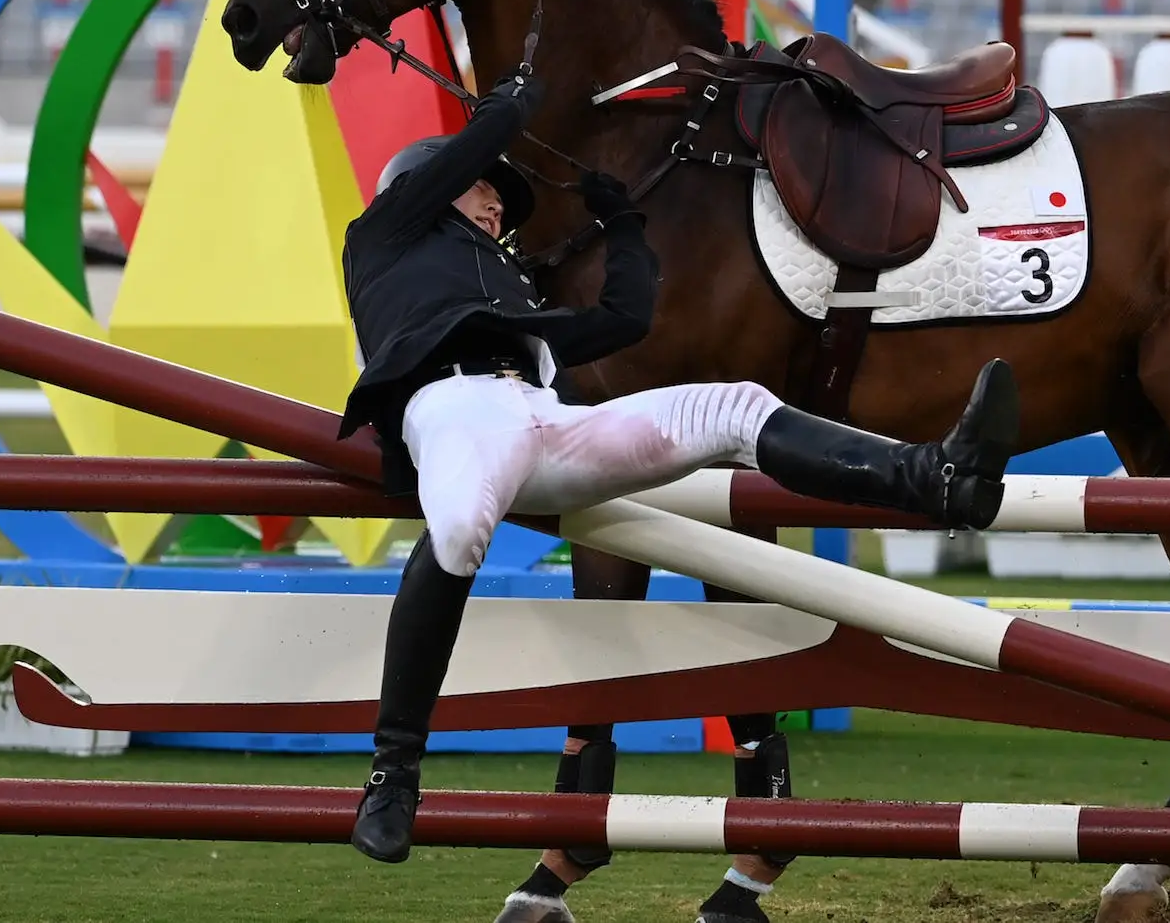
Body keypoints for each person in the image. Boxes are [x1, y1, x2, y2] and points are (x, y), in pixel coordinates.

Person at [338, 64, 1019, 865]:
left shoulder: (508, 287)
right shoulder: (381, 234)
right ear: (421, 190)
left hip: (546, 418)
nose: (497, 205)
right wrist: (514, 103)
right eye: (483, 190)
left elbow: (624, 317)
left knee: (731, 406)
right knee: (457, 531)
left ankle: (935, 477)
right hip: (452, 411)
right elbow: (477, 145)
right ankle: (393, 774)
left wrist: (621, 224)